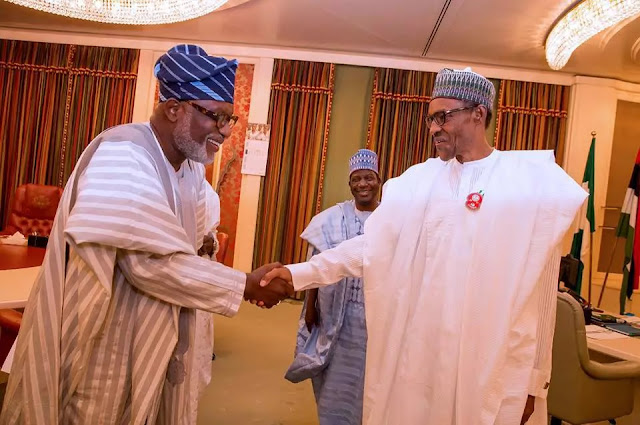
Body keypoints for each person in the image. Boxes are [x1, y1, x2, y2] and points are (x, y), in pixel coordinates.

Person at [261, 67, 588, 425]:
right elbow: (370, 246)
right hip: (421, 358)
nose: (433, 128)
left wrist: (535, 382)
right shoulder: (417, 183)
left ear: (478, 114)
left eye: (443, 117)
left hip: (489, 360)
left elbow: (541, 294)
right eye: (431, 118)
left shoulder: (527, 183)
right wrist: (299, 274)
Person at [0, 44, 292, 425]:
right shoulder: (123, 153)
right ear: (174, 108)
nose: (224, 132)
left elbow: (194, 243)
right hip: (105, 329)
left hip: (160, 325)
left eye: (229, 120)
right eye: (215, 117)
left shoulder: (189, 169)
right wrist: (245, 285)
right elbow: (148, 263)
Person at [286, 149, 381, 425]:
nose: (363, 184)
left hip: (373, 317)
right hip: (333, 317)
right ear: (350, 184)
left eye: (368, 178)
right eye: (356, 179)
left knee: (366, 376)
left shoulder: (390, 219)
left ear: (378, 181)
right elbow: (316, 263)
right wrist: (311, 307)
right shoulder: (329, 219)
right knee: (334, 376)